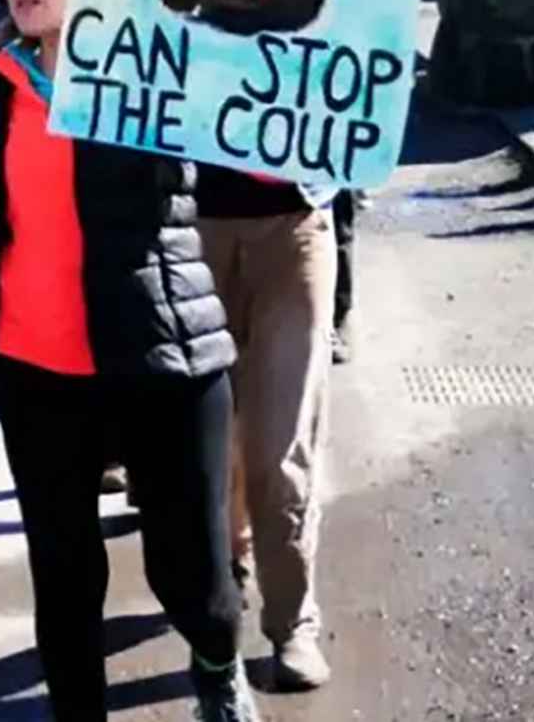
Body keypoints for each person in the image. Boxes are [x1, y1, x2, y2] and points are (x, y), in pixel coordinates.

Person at [0, 0, 251, 722]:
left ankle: (218, 665)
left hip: (160, 350)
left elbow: (234, 103)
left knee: (190, 570)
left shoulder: (150, 68)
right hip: (36, 362)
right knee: (63, 568)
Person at [201, 138, 336, 691]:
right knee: (211, 435)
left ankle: (292, 621)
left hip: (295, 222)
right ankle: (224, 573)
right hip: (189, 224)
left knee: (283, 440)